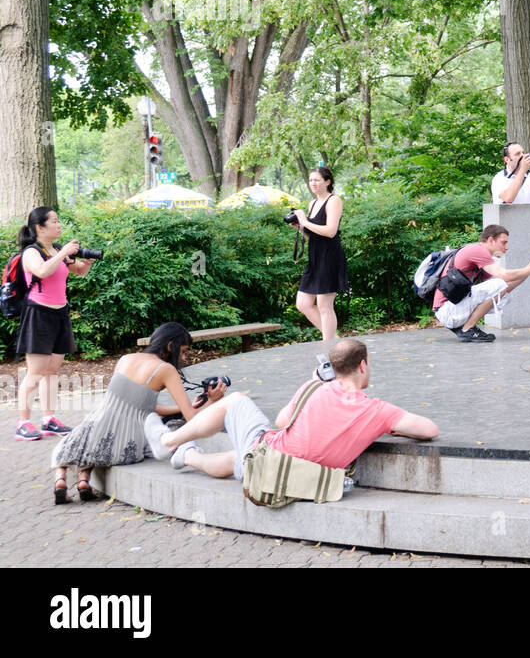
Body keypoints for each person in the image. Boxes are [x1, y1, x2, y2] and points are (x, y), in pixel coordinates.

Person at [151, 339, 437, 482]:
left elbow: (282, 420)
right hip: (295, 479)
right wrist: (393, 425)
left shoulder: (315, 388)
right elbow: (429, 430)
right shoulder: (378, 412)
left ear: (333, 369)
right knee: (241, 454)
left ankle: (170, 442)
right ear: (363, 365)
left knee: (236, 403)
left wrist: (312, 381)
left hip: (267, 467)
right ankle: (181, 452)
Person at [50, 322, 225, 504]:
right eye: (183, 351)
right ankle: (83, 481)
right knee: (173, 427)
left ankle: (63, 479)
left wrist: (185, 406)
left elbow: (138, 404)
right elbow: (191, 419)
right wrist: (212, 401)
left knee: (77, 437)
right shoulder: (166, 370)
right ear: (170, 346)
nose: (184, 357)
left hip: (98, 425)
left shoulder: (126, 359)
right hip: (126, 446)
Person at [12, 208, 95, 443]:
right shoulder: (31, 253)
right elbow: (42, 270)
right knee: (35, 373)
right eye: (55, 221)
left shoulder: (56, 250)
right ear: (40, 228)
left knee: (52, 372)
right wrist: (63, 253)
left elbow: (79, 271)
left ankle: (48, 419)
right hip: (38, 314)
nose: (59, 225)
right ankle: (23, 423)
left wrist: (85, 262)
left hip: (60, 314)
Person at [432, 224, 530, 342]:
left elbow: (503, 288)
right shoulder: (477, 250)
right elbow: (502, 277)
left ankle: (467, 327)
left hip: (452, 310)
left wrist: (529, 269)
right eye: (503, 242)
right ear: (491, 240)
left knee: (500, 288)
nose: (507, 247)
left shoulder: (479, 254)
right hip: (447, 311)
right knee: (498, 284)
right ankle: (468, 329)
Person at [294, 167, 349, 353]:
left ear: (328, 182)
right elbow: (314, 236)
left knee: (325, 305)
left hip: (330, 257)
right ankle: (335, 341)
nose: (313, 184)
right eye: (311, 180)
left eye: (317, 180)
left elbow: (330, 231)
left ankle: (329, 349)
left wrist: (306, 221)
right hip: (315, 257)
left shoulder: (334, 201)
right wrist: (301, 228)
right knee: (303, 304)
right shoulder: (312, 203)